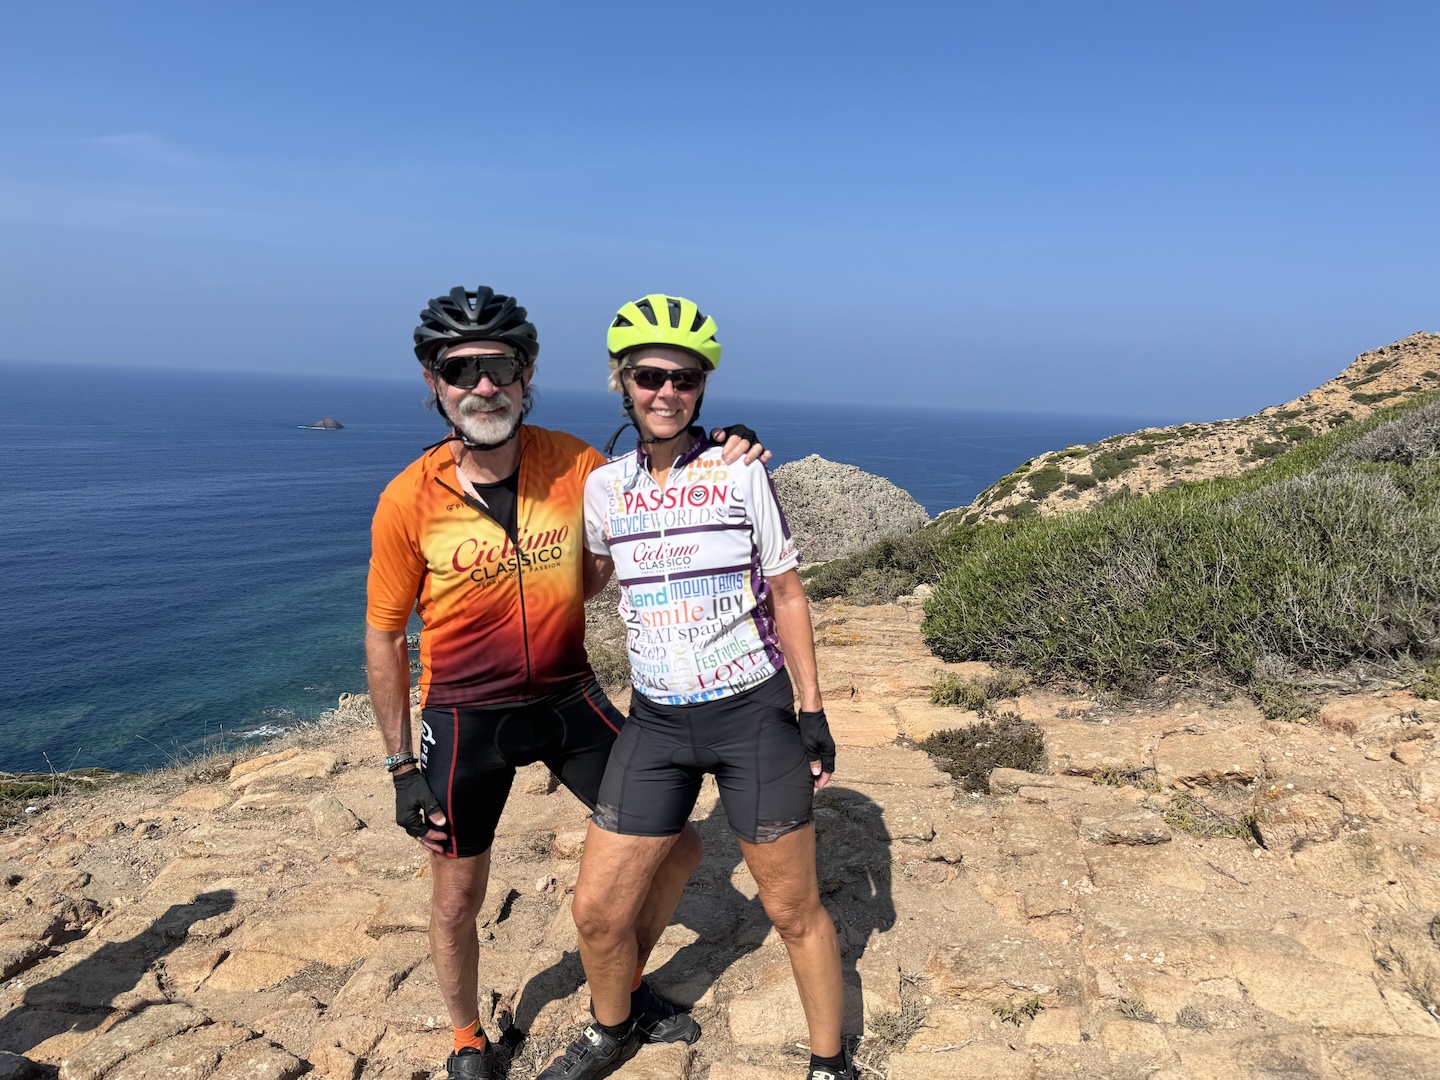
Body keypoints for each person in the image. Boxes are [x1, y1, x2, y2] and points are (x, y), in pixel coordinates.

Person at [366, 287, 766, 1080]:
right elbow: (383, 638)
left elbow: (654, 480)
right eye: (462, 370)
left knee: (681, 848)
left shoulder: (575, 463)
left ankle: (624, 987)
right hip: (464, 716)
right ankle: (466, 1038)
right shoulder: (407, 501)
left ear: (528, 373)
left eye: (501, 367)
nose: (484, 386)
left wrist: (723, 444)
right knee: (456, 896)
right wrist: (400, 766)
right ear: (433, 383)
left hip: (567, 697)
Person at [540, 294, 846, 1080]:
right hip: (657, 724)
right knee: (598, 914)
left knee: (791, 909)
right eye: (649, 376)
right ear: (622, 383)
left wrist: (813, 712)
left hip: (753, 717)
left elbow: (787, 592)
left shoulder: (740, 471)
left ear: (702, 389)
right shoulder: (606, 489)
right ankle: (615, 1028)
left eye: (685, 378)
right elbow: (598, 573)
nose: (666, 392)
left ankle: (829, 1063)